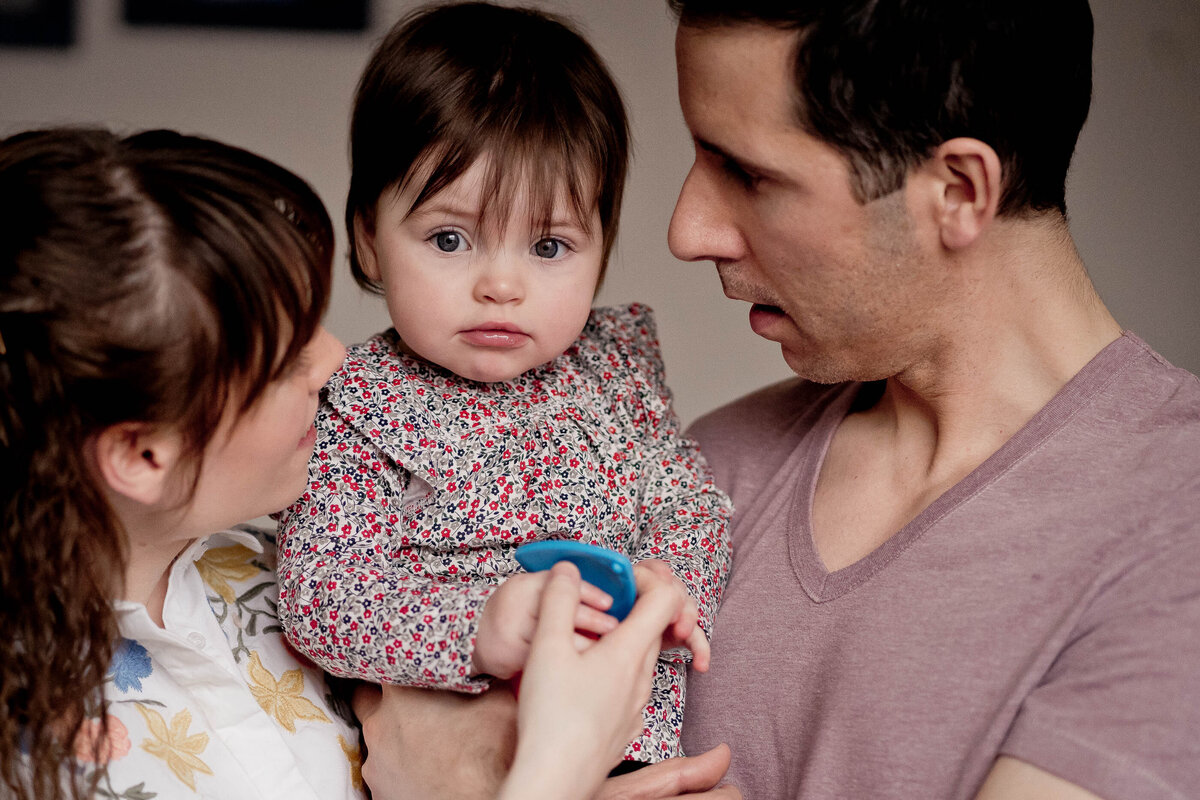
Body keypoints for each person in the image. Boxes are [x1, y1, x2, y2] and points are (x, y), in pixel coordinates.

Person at [0, 126, 707, 800]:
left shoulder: (299, 567)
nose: (338, 360)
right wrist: (555, 767)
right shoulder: (30, 754)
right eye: (286, 360)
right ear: (142, 453)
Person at [662, 1, 1200, 799]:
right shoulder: (710, 469)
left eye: (747, 172)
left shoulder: (1175, 519)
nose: (688, 229)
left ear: (957, 190)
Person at [274, 0, 733, 774]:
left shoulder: (614, 367)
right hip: (463, 753)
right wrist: (475, 627)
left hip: (631, 745)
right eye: (450, 239)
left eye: (549, 245)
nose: (501, 284)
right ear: (369, 241)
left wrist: (671, 580)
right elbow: (323, 594)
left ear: (600, 249)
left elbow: (686, 500)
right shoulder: (360, 403)